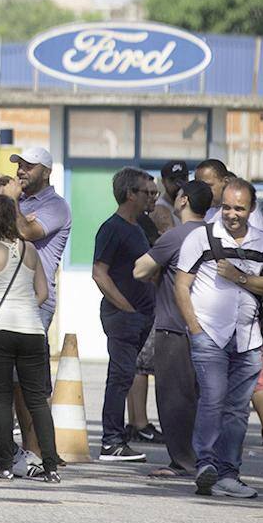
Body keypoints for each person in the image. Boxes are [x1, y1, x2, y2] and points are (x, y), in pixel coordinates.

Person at [175, 178, 263, 497]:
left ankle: (228, 474)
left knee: (236, 409)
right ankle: (206, 464)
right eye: (226, 207)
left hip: (248, 339)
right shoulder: (201, 237)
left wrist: (240, 277)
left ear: (251, 210)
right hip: (209, 334)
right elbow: (181, 285)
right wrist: (195, 329)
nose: (232, 214)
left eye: (239, 208)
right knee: (213, 397)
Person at [0, 194, 60, 483]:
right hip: (32, 330)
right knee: (37, 399)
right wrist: (24, 307)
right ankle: (50, 467)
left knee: (2, 399)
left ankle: (5, 466)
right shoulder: (30, 250)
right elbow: (43, 294)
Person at [133, 180, 213, 476]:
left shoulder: (177, 235)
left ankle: (183, 461)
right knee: (205, 397)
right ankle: (206, 457)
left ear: (184, 201)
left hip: (174, 327)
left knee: (174, 399)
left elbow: (140, 268)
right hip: (210, 328)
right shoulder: (215, 234)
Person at [8, 147, 71, 460]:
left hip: (36, 300)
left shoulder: (57, 207)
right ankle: (33, 447)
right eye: (19, 165)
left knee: (30, 381)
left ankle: (38, 449)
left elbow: (25, 231)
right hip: (9, 297)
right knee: (16, 382)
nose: (21, 171)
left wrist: (10, 205)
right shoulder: (19, 201)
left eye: (28, 167)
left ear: (46, 171)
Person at [92, 167, 155, 462]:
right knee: (120, 377)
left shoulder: (139, 227)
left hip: (141, 315)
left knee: (126, 376)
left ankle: (117, 437)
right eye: (146, 193)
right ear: (130, 194)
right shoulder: (112, 228)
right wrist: (126, 308)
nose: (151, 198)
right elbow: (99, 273)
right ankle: (111, 441)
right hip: (123, 317)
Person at [128, 175, 163, 443]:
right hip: (138, 303)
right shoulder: (138, 223)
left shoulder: (146, 222)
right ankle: (138, 422)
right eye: (147, 193)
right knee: (140, 365)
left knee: (141, 365)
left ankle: (138, 421)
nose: (152, 198)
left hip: (147, 301)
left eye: (155, 193)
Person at [195, 159, 263, 231]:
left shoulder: (244, 207)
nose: (202, 191)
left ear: (225, 181)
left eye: (208, 185)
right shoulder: (203, 209)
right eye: (199, 186)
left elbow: (257, 239)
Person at [149, 160, 189, 231]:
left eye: (183, 179)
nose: (178, 184)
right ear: (163, 182)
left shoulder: (191, 204)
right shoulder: (160, 208)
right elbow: (173, 239)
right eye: (173, 180)